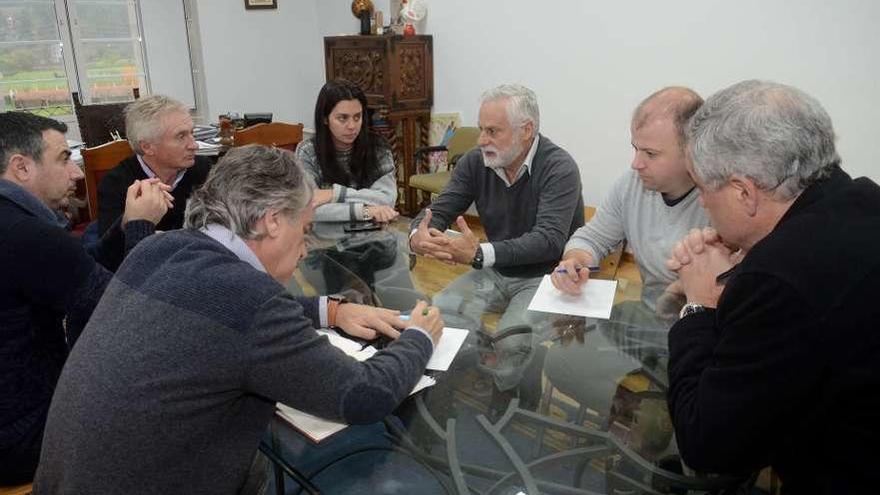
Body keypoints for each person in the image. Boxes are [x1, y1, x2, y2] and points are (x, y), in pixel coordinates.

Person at [34, 145, 444, 494]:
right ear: (271, 220)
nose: (304, 250)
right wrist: (419, 339)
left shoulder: (162, 248)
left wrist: (332, 310)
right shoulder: (251, 301)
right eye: (303, 231)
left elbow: (218, 314)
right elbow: (362, 395)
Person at [666, 80, 880, 492]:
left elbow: (706, 445)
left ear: (744, 192)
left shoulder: (778, 277)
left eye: (702, 189)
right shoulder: (862, 200)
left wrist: (698, 304)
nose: (703, 204)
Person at [0, 112, 169, 485]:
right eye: (64, 159)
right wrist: (143, 227)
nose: (77, 173)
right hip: (23, 439)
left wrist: (124, 227)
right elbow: (130, 314)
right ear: (21, 167)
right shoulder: (24, 234)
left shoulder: (12, 222)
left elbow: (76, 273)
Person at [410, 83, 584, 395]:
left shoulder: (559, 168)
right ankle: (454, 388)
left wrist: (478, 254)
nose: (481, 140)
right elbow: (440, 208)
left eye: (492, 131)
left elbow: (549, 241)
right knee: (437, 313)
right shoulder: (477, 162)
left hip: (546, 278)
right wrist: (418, 234)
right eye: (481, 129)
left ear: (526, 130)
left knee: (512, 340)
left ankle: (507, 401)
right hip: (496, 269)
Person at [552, 87, 708, 318]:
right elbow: (591, 238)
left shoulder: (720, 200)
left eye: (650, 154)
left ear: (692, 151)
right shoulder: (632, 184)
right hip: (649, 317)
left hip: (700, 325)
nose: (636, 163)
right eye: (635, 148)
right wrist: (575, 261)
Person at [97, 94, 211, 236]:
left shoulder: (205, 170)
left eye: (192, 133)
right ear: (147, 147)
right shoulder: (116, 184)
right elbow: (111, 252)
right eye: (181, 136)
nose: (194, 145)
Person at [295, 79, 399, 224]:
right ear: (325, 118)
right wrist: (365, 211)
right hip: (323, 238)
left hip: (373, 235)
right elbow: (308, 208)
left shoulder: (378, 147)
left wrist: (334, 194)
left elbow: (387, 200)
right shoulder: (308, 151)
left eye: (357, 117)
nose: (352, 126)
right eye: (342, 118)